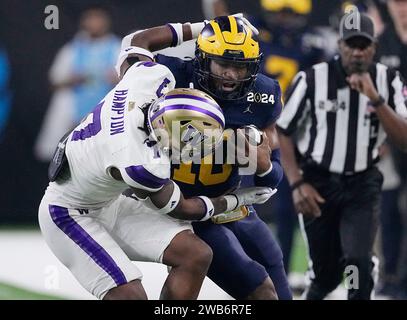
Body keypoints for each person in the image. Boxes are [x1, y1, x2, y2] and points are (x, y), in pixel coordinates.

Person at [38, 54, 275, 300]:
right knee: (132, 296)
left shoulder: (148, 80)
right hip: (67, 213)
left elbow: (137, 45)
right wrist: (236, 200)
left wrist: (200, 27)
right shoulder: (141, 162)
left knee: (195, 254)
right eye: (193, 139)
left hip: (109, 201)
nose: (197, 148)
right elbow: (183, 209)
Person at [118, 15, 292, 299]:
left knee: (272, 265)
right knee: (258, 290)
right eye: (223, 63)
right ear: (202, 57)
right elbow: (135, 45)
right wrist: (202, 26)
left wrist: (262, 166)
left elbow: (273, 177)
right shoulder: (169, 75)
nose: (232, 75)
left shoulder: (263, 95)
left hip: (225, 201)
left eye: (240, 66)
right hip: (173, 202)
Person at [277, 11, 407, 300]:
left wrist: (375, 99)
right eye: (351, 44)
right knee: (324, 275)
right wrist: (297, 183)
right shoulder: (312, 79)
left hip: (362, 184)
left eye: (363, 45)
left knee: (357, 264)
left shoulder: (388, 80)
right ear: (339, 45)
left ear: (374, 46)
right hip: (318, 183)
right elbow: (283, 130)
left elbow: (404, 139)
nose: (357, 52)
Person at [34, 5, 121, 162]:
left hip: (104, 119)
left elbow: (131, 79)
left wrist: (117, 78)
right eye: (90, 18)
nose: (93, 22)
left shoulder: (118, 48)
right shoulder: (72, 49)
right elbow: (54, 82)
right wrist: (72, 79)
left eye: (97, 18)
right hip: (73, 118)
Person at [375, 0, 407, 299]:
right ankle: (390, 277)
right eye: (398, 2)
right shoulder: (381, 44)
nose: (402, 8)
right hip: (391, 140)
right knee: (387, 212)